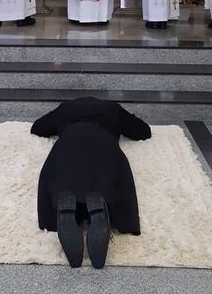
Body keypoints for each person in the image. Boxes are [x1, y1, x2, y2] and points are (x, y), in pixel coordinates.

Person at [31, 97, 152, 269]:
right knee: (108, 182)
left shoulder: (65, 108)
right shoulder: (112, 108)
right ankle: (100, 205)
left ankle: (67, 207)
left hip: (67, 144)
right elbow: (143, 131)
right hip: (105, 144)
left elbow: (37, 128)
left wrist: (60, 122)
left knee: (62, 181)